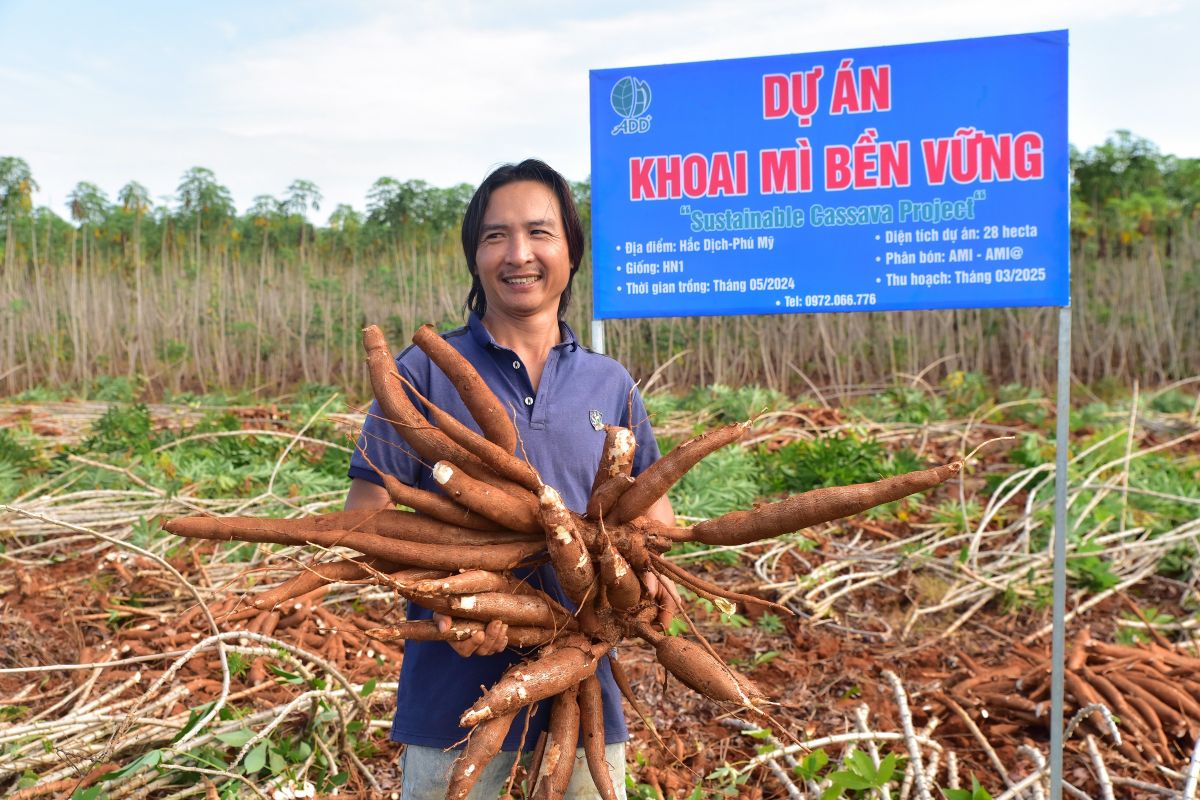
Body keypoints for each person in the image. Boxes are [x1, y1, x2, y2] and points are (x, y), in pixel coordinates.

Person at [346, 158, 676, 799]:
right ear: (475, 257)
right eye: (496, 236)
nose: (518, 254)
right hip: (452, 700)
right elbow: (364, 520)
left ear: (572, 252)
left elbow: (655, 524)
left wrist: (638, 581)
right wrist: (452, 599)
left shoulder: (610, 382)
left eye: (539, 233)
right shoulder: (422, 372)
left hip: (585, 692)